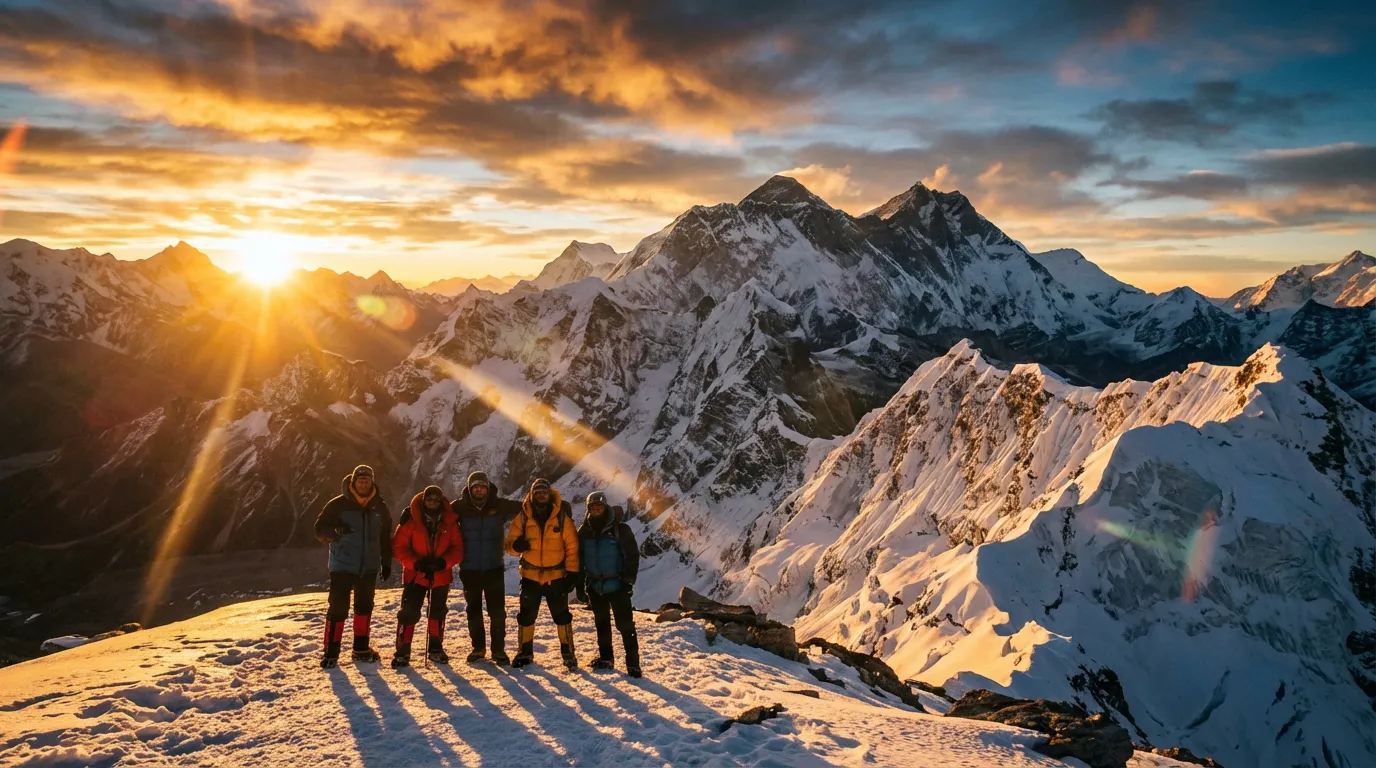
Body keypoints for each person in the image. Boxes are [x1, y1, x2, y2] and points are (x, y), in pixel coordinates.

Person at [313, 464, 392, 669]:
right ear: (353, 481)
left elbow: (385, 537)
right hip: (342, 564)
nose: (363, 483)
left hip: (369, 565)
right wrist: (335, 531)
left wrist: (386, 562)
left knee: (364, 607)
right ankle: (331, 652)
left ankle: (361, 649)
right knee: (338, 607)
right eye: (360, 479)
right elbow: (319, 529)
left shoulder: (379, 507)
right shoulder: (338, 505)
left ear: (372, 481)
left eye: (367, 479)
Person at [505, 478, 580, 669]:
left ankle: (568, 654)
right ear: (532, 495)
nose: (541, 495)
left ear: (549, 494)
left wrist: (572, 573)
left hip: (556, 577)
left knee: (562, 616)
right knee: (526, 616)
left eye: (543, 492)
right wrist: (516, 546)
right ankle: (525, 653)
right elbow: (509, 545)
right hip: (530, 576)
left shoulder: (562, 518)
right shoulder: (522, 517)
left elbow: (572, 546)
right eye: (537, 493)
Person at [391, 485, 464, 667]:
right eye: (429, 500)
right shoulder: (411, 521)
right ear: (424, 501)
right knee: (409, 611)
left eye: (436, 500)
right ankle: (403, 649)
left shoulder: (449, 523)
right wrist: (416, 563)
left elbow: (458, 549)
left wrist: (443, 563)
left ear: (441, 502)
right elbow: (399, 548)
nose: (432, 503)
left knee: (437, 612)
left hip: (439, 575)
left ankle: (435, 647)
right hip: (416, 575)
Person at [453, 471, 522, 664]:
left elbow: (525, 507)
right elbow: (435, 511)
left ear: (487, 487)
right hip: (469, 568)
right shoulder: (459, 507)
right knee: (473, 610)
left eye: (482, 486)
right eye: (475, 487)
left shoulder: (498, 505)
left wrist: (560, 506)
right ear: (469, 488)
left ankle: (498, 650)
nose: (479, 490)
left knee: (497, 611)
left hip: (493, 567)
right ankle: (478, 648)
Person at [575, 492, 642, 677]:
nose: (596, 509)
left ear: (606, 507)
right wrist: (580, 587)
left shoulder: (620, 529)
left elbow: (632, 556)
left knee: (625, 625)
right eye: (593, 507)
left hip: (617, 584)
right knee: (601, 623)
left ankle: (633, 664)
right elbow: (579, 561)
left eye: (599, 506)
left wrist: (628, 582)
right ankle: (606, 658)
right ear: (588, 509)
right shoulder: (584, 532)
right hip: (595, 586)